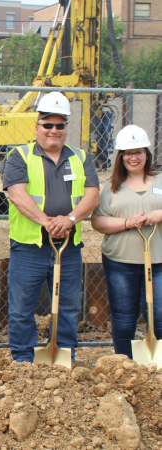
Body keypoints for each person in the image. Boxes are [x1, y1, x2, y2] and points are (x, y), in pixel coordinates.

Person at [3, 91, 100, 363]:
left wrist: (69, 220)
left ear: (65, 128)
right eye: (48, 125)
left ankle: (64, 354)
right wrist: (48, 222)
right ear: (37, 128)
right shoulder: (19, 155)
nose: (53, 130)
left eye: (60, 125)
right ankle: (23, 360)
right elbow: (17, 195)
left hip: (68, 247)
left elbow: (93, 195)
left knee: (67, 307)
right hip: (29, 247)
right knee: (22, 308)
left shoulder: (81, 157)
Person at [91, 125, 162, 359]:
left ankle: (157, 360)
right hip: (121, 260)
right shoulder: (111, 188)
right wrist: (126, 223)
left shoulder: (160, 179)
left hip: (159, 259)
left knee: (159, 313)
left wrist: (159, 214)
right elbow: (98, 222)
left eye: (138, 152)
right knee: (123, 316)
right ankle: (124, 361)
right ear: (120, 157)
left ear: (147, 155)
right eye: (128, 153)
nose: (133, 158)